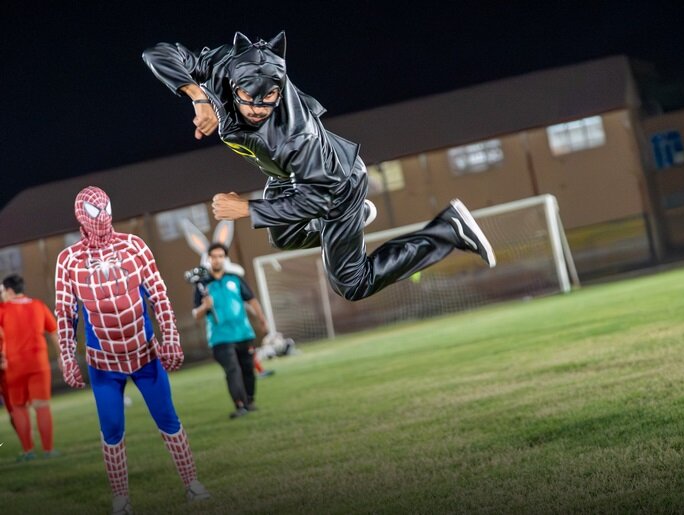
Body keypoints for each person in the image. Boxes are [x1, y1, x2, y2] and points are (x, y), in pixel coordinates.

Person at [142, 31, 495, 302]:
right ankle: (350, 223)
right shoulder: (222, 67)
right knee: (282, 235)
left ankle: (449, 230)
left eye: (268, 102)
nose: (258, 110)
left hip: (334, 186)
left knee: (352, 285)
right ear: (234, 85)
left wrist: (246, 207)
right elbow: (157, 53)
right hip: (286, 178)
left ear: (279, 92)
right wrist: (197, 95)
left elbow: (319, 200)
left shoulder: (298, 137)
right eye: (250, 102)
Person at [55, 186, 210, 513]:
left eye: (106, 209)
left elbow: (159, 295)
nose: (104, 218)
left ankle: (192, 483)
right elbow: (65, 313)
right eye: (96, 212)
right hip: (103, 362)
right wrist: (67, 357)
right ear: (82, 216)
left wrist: (171, 338)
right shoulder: (68, 260)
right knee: (111, 429)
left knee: (168, 418)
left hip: (145, 353)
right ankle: (121, 498)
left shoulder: (134, 246)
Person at [192, 243, 268, 418]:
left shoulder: (235, 279)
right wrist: (205, 307)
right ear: (208, 259)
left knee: (248, 369)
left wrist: (262, 319)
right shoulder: (202, 285)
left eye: (220, 256)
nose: (217, 259)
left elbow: (251, 300)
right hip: (220, 337)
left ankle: (250, 401)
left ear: (224, 259)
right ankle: (240, 405)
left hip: (243, 333)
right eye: (214, 256)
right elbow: (196, 314)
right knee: (232, 369)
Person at [0, 274, 58, 461]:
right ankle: (48, 450)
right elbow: (54, 332)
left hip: (14, 365)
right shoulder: (38, 305)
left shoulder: (3, 309)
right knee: (42, 406)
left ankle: (28, 451)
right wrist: (63, 357)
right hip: (39, 363)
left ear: (9, 291)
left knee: (18, 407)